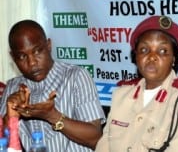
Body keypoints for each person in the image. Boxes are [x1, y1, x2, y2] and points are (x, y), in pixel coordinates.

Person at [95, 15, 178, 152]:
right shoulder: (121, 94)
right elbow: (104, 146)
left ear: (173, 58)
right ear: (136, 56)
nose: (151, 57)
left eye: (162, 51)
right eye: (144, 50)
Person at [0, 20, 106, 151]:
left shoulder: (75, 77)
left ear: (49, 46)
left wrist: (53, 116)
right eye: (22, 56)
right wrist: (10, 117)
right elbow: (4, 143)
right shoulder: (12, 87)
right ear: (13, 57)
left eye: (37, 51)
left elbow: (96, 138)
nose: (32, 62)